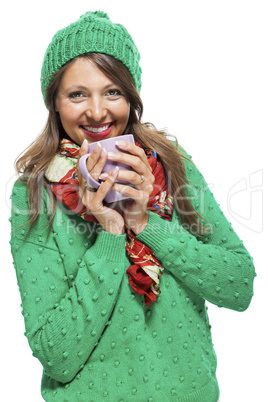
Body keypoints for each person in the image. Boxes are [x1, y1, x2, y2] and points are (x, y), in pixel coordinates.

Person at [10, 10, 256, 402]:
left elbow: (239, 286)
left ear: (131, 96)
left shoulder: (171, 163)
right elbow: (56, 356)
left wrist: (145, 221)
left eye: (113, 92)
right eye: (77, 94)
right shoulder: (34, 194)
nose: (96, 111)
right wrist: (110, 232)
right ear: (54, 101)